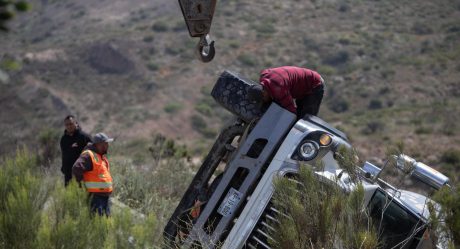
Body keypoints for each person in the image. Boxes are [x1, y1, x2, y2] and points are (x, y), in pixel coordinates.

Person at [248, 66, 325, 119]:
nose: (264, 101)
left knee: (304, 120)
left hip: (314, 84)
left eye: (263, 99)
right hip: (301, 85)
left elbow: (291, 112)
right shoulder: (264, 77)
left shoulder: (279, 90)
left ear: (264, 93)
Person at [72, 132, 114, 216]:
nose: (107, 145)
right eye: (105, 143)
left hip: (105, 198)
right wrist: (81, 187)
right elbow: (76, 168)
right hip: (95, 198)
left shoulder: (101, 157)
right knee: (97, 224)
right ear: (98, 144)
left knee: (105, 225)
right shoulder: (88, 155)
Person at [60, 115, 92, 186]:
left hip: (82, 173)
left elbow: (93, 153)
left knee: (83, 195)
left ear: (76, 123)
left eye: (71, 124)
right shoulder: (63, 139)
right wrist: (64, 168)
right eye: (67, 124)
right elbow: (64, 154)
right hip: (68, 174)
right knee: (70, 195)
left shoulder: (84, 137)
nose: (69, 126)